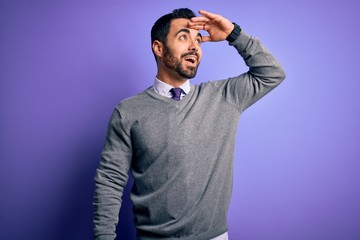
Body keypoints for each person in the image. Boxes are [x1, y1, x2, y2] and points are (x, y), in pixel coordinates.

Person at [93, 8, 286, 240]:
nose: (195, 46)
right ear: (159, 48)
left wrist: (233, 34)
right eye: (184, 37)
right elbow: (110, 181)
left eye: (198, 40)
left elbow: (272, 73)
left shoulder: (223, 97)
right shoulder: (127, 112)